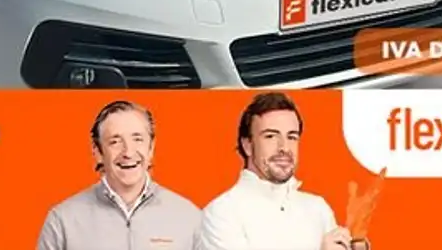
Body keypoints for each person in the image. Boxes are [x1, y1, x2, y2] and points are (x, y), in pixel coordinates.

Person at [198, 92, 368, 250]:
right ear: (247, 145)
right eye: (271, 136)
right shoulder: (221, 213)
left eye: (292, 137)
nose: (284, 148)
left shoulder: (318, 208)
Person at [37, 99, 202, 249]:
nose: (128, 152)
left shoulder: (189, 217)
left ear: (151, 148)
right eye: (115, 142)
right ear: (98, 151)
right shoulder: (62, 221)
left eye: (137, 139)